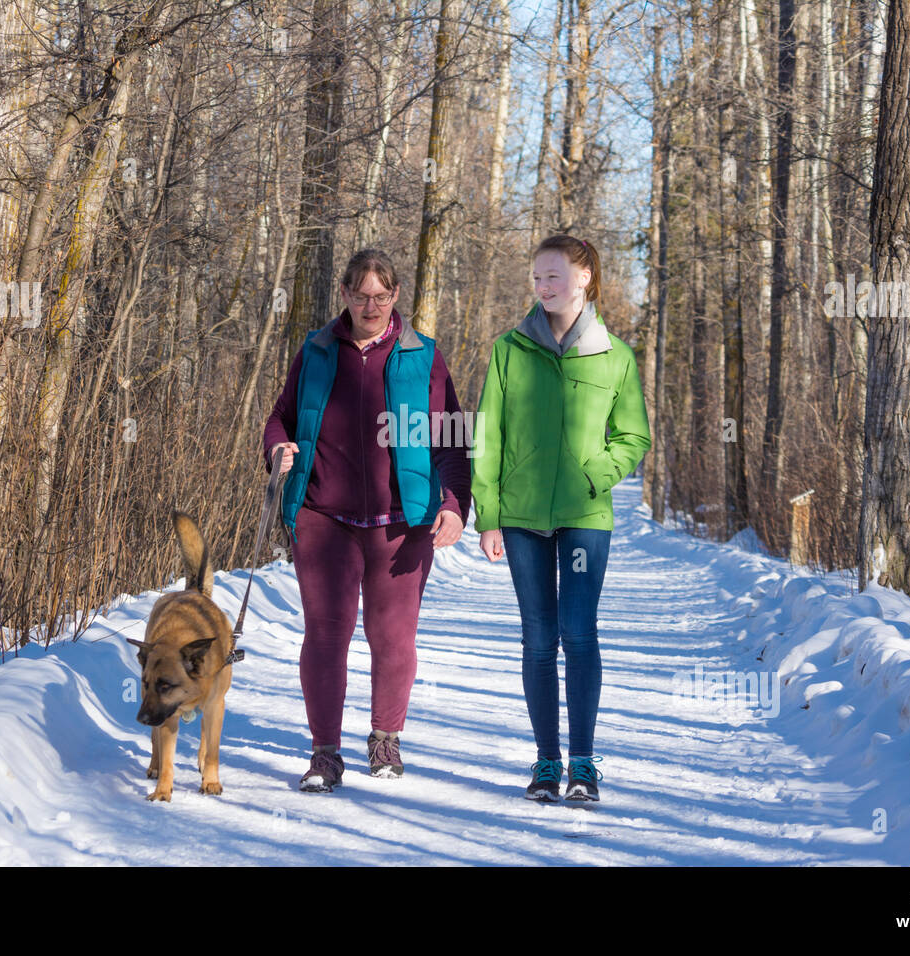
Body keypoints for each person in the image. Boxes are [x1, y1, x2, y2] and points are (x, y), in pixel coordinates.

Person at [263, 248, 471, 792]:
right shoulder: (316, 350)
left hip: (402, 520)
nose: (371, 305)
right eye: (361, 296)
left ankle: (385, 739)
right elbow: (281, 417)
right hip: (322, 517)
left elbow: (451, 438)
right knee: (325, 634)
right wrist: (280, 448)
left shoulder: (422, 355)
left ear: (395, 297)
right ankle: (324, 753)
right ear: (346, 297)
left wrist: (454, 504)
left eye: (381, 296)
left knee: (393, 636)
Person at [471, 234, 652, 802]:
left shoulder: (614, 355)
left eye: (553, 276)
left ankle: (584, 763)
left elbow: (634, 436)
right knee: (537, 640)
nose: (543, 286)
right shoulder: (510, 349)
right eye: (537, 278)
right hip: (521, 516)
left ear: (585, 279)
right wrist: (489, 515)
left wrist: (595, 473)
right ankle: (547, 762)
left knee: (578, 634)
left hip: (584, 515)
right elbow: (488, 433)